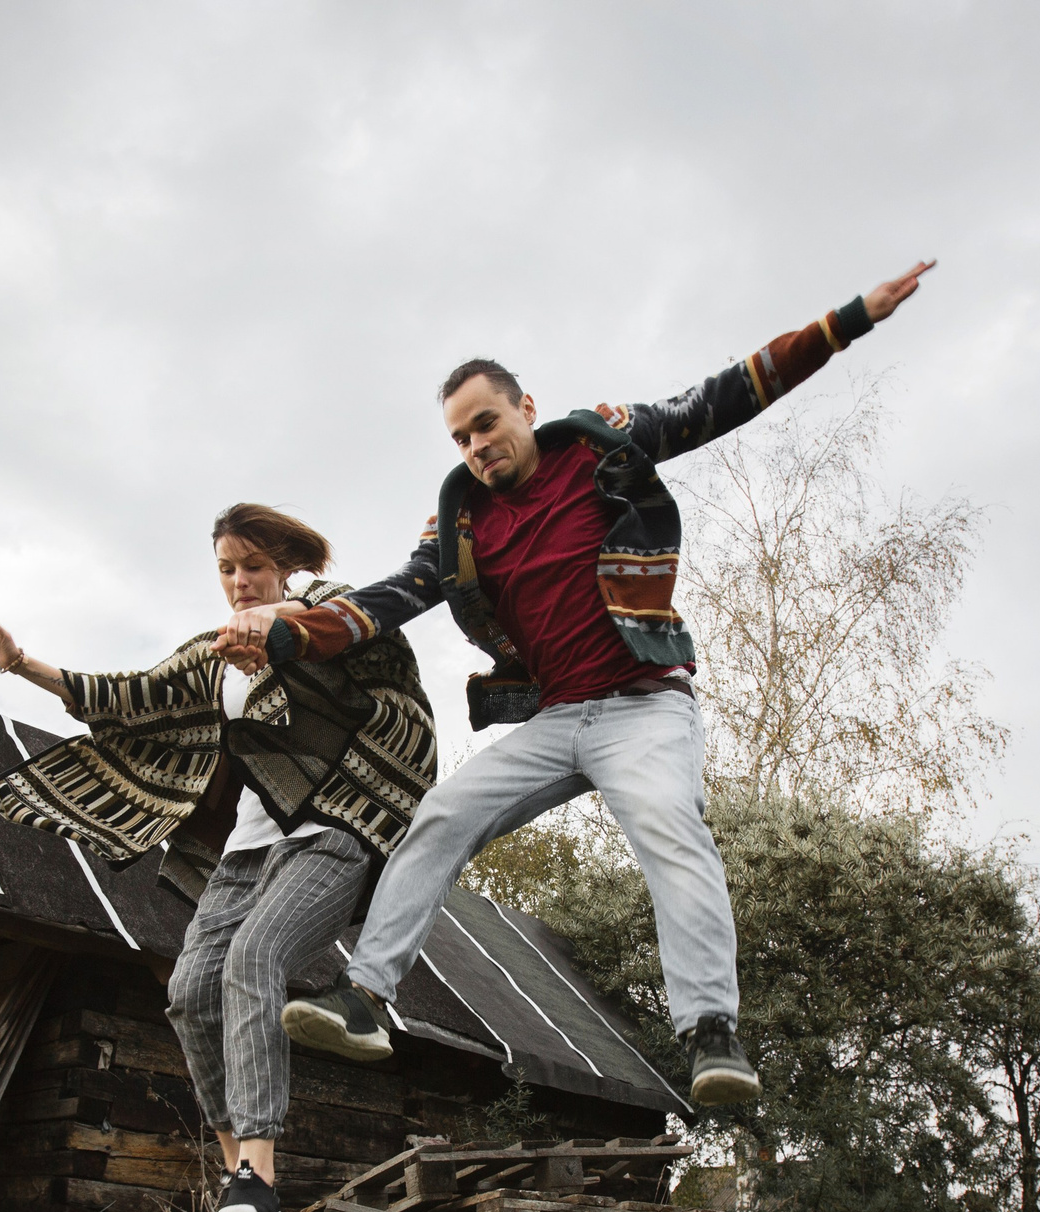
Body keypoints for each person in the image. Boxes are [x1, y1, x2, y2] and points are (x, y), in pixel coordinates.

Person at [216, 262, 935, 1108]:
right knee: (443, 815)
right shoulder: (458, 520)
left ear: (525, 408)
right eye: (460, 438)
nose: (479, 447)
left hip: (644, 704)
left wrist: (847, 321)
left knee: (670, 823)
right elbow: (389, 601)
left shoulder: (602, 441)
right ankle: (367, 996)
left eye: (487, 424)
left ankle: (712, 1033)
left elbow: (721, 399)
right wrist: (293, 632)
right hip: (559, 719)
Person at [0, 504, 437, 1212]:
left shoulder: (325, 613)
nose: (240, 581)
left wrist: (282, 626)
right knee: (188, 992)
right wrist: (20, 662)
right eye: (226, 568)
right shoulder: (215, 651)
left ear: (285, 566)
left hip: (331, 827)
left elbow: (374, 643)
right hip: (248, 847)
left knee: (256, 962)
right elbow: (130, 695)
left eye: (252, 566)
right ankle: (240, 1175)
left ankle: (259, 1167)